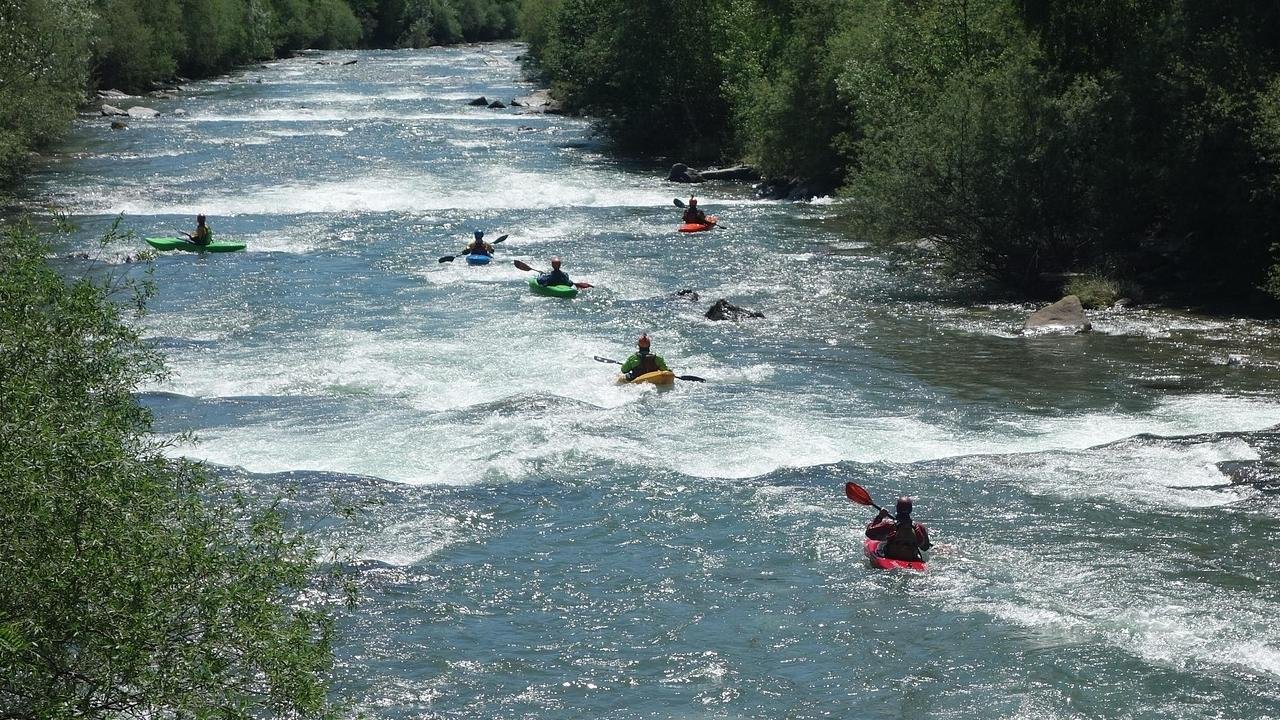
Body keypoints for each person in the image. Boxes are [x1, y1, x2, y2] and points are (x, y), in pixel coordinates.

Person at [865, 496, 932, 561]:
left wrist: (880, 516)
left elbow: (869, 533)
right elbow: (925, 547)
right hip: (911, 558)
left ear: (897, 509)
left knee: (882, 545)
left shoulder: (889, 524)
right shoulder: (919, 527)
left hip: (891, 557)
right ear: (910, 510)